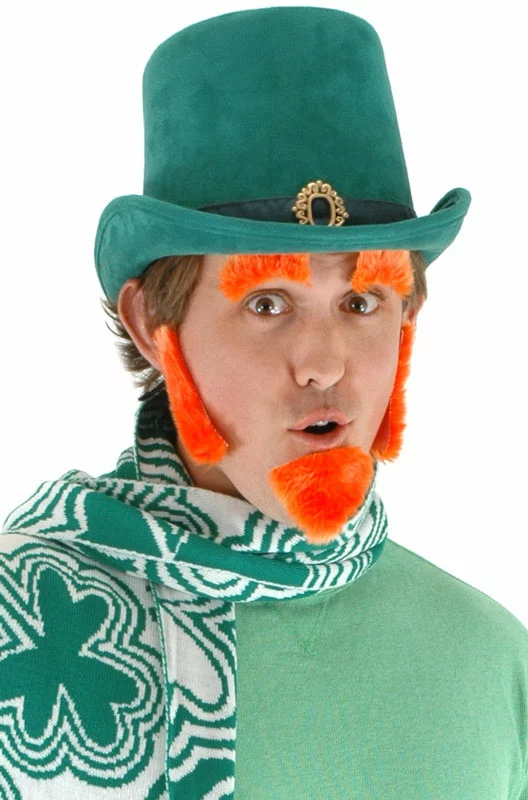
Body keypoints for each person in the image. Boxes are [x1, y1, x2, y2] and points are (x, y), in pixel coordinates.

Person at [1, 7, 527, 799]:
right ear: (153, 325)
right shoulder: (18, 618)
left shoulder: (494, 663)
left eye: (362, 302)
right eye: (268, 303)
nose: (323, 365)